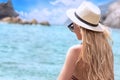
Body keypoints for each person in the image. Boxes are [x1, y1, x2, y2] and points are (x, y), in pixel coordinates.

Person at [57, 1, 114, 80]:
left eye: (72, 25)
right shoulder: (107, 52)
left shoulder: (75, 51)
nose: (73, 29)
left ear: (80, 27)